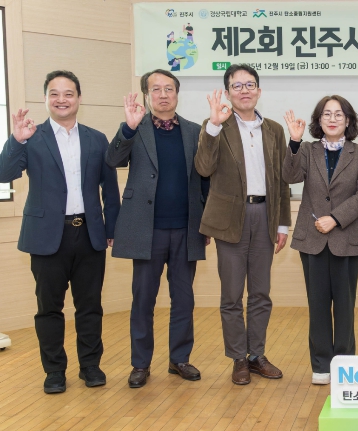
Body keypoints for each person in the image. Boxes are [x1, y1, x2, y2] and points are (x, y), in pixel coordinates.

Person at [0, 70, 120, 393]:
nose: (61, 99)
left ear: (79, 98)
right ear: (45, 99)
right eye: (54, 94)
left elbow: (110, 188)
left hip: (90, 235)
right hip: (46, 236)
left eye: (69, 94)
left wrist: (112, 227)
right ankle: (54, 371)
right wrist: (15, 140)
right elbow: (4, 173)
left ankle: (90, 366)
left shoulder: (96, 138)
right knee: (49, 308)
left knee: (90, 306)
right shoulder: (31, 136)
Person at [105, 69, 208, 388]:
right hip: (146, 230)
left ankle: (180, 359)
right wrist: (128, 127)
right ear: (147, 95)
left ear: (177, 94)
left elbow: (204, 178)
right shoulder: (135, 128)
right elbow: (112, 160)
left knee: (184, 300)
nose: (163, 94)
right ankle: (140, 364)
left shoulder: (194, 131)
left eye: (169, 89)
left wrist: (206, 223)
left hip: (186, 229)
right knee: (143, 301)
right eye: (156, 89)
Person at [195, 64, 291, 385]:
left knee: (261, 293)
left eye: (250, 85)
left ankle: (256, 355)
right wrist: (213, 125)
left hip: (265, 216)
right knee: (232, 295)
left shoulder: (274, 130)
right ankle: (238, 357)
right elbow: (204, 168)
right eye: (237, 86)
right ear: (227, 93)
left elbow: (282, 180)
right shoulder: (215, 126)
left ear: (259, 91)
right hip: (230, 220)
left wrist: (282, 224)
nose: (244, 90)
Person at [282, 96, 358, 385]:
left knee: (345, 306)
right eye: (326, 114)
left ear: (348, 120)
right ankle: (321, 365)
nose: (332, 119)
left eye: (339, 114)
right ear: (318, 121)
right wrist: (294, 142)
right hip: (312, 239)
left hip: (347, 238)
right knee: (318, 305)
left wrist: (335, 218)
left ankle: (344, 365)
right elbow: (290, 176)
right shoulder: (307, 150)